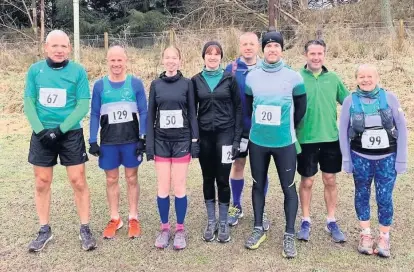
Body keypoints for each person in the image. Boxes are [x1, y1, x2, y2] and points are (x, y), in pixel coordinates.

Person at [24, 30, 96, 252]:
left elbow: (83, 104)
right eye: (54, 46)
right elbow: (29, 103)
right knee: (42, 182)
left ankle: (84, 227)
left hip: (70, 134)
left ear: (69, 48)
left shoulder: (78, 71)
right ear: (46, 47)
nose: (59, 50)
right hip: (42, 134)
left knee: (78, 181)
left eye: (63, 46)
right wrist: (41, 130)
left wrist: (61, 130)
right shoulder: (35, 71)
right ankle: (44, 229)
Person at [243, 31, 306, 258]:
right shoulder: (252, 76)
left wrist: (285, 128)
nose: (272, 50)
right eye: (268, 46)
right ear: (263, 49)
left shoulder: (294, 77)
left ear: (282, 49)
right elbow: (249, 107)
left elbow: (301, 109)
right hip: (258, 142)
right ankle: (258, 228)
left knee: (288, 187)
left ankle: (289, 234)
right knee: (258, 184)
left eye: (276, 46)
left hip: (284, 142)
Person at [339, 64, 407, 257]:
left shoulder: (390, 98)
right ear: (356, 79)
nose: (366, 80)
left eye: (369, 76)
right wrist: (346, 160)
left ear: (377, 77)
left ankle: (384, 237)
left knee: (384, 198)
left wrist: (401, 160)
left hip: (387, 158)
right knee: (362, 194)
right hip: (360, 158)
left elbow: (402, 129)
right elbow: (342, 132)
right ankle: (365, 234)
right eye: (361, 76)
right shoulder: (349, 101)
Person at [88, 46, 147, 239]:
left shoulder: (135, 84)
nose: (116, 64)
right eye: (112, 60)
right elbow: (95, 113)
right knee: (111, 179)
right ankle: (115, 218)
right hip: (109, 142)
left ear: (125, 61)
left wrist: (142, 137)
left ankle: (133, 217)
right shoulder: (99, 85)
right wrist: (92, 140)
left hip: (130, 141)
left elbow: (144, 112)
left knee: (131, 178)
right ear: (107, 61)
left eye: (119, 60)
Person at [295, 39, 349, 243]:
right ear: (305, 55)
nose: (316, 57)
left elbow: (349, 101)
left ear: (324, 55)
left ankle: (331, 220)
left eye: (320, 54)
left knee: (330, 180)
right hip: (305, 139)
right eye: (312, 54)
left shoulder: (333, 78)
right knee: (307, 181)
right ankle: (306, 220)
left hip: (330, 139)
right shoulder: (296, 78)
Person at [146, 46, 199, 250]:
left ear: (180, 60)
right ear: (162, 60)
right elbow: (151, 115)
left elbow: (193, 113)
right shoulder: (156, 85)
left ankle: (179, 229)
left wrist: (195, 141)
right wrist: (149, 143)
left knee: (179, 187)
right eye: (167, 58)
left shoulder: (187, 84)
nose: (170, 61)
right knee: (162, 188)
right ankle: (164, 228)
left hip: (181, 142)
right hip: (161, 142)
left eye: (174, 57)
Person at [192, 41, 243, 243]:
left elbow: (239, 109)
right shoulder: (195, 81)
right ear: (203, 56)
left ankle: (223, 222)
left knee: (222, 179)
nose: (212, 57)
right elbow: (192, 112)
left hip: (226, 135)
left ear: (221, 57)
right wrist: (194, 139)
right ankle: (211, 220)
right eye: (209, 53)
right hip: (205, 136)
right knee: (207, 178)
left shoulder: (229, 78)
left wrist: (237, 139)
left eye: (217, 54)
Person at [225, 32, 270, 230]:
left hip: (262, 129)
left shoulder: (267, 67)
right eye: (245, 44)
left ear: (258, 46)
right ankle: (236, 205)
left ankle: (261, 210)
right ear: (240, 46)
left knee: (261, 171)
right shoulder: (231, 68)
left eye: (252, 44)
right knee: (238, 165)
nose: (248, 47)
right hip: (239, 129)